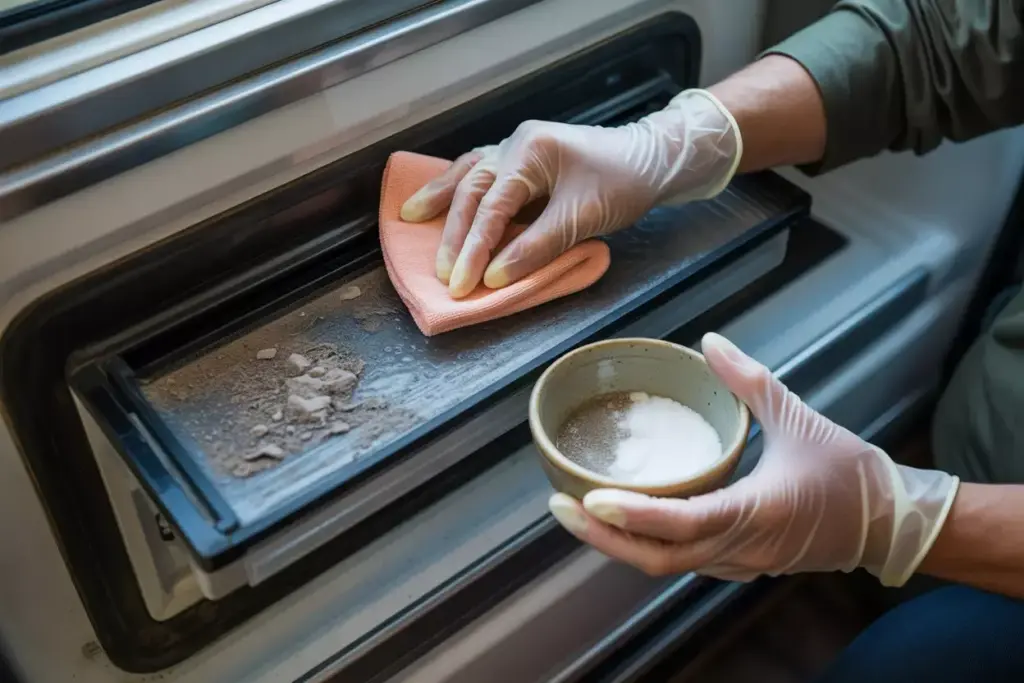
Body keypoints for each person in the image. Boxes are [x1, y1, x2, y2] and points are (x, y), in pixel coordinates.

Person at [400, 1, 1024, 680]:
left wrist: (898, 520)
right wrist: (677, 141)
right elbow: (958, 33)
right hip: (984, 442)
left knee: (905, 659)